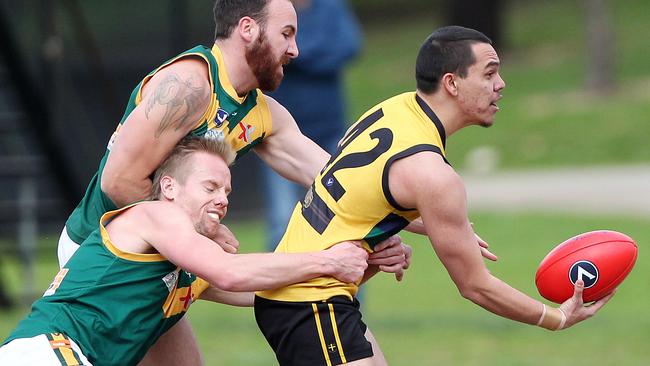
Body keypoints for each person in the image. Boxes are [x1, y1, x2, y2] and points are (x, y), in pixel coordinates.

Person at [54, 1, 411, 365]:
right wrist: (201, 234)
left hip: (165, 253)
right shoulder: (189, 86)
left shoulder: (260, 112)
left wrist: (421, 218)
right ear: (247, 29)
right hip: (103, 254)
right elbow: (119, 182)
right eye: (286, 34)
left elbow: (344, 181)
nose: (295, 50)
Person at [254, 26, 615, 366]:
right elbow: (476, 286)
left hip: (304, 296)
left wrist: (430, 226)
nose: (501, 85)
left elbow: (364, 193)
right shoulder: (433, 173)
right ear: (452, 83)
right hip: (310, 303)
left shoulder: (395, 110)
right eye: (489, 74)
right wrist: (556, 317)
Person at [0, 137, 373, 366]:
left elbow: (266, 291)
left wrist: (360, 263)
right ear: (170, 187)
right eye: (210, 187)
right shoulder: (155, 215)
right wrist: (328, 259)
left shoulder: (184, 268)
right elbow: (231, 272)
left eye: (226, 192)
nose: (222, 200)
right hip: (48, 354)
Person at [262, 0, 362, 248]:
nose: (293, 49)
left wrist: (296, 55)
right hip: (277, 136)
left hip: (330, 130)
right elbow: (262, 51)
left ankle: (348, 285)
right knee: (281, 220)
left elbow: (349, 46)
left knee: (345, 214)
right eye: (287, 36)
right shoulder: (268, 8)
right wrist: (320, 50)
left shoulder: (330, 6)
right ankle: (273, 285)